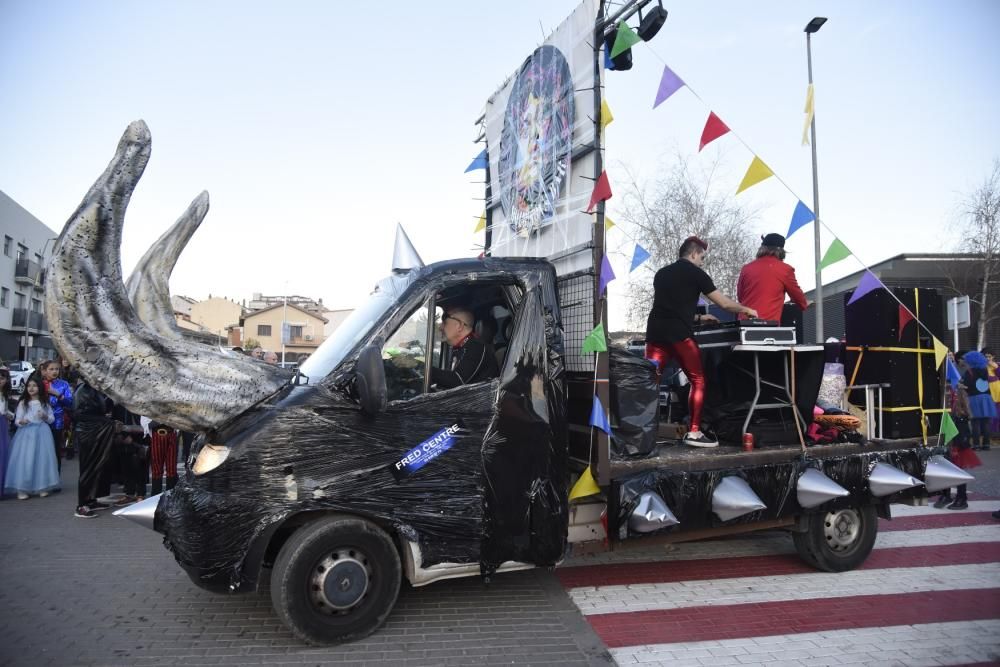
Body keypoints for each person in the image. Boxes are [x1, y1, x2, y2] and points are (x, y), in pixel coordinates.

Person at [645, 236, 758, 447]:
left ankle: (644, 433)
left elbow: (671, 307)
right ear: (694, 253)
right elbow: (723, 303)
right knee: (698, 380)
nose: (703, 261)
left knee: (650, 383)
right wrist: (746, 309)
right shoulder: (696, 273)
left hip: (655, 334)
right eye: (702, 257)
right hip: (680, 335)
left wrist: (699, 317)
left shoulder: (661, 274)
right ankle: (695, 433)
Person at [934, 352, 981, 510]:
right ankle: (946, 494)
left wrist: (962, 439)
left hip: (959, 433)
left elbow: (964, 414)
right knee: (944, 464)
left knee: (958, 465)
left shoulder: (959, 392)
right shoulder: (942, 390)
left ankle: (962, 498)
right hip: (946, 429)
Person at [3, 375, 60, 500]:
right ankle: (22, 488)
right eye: (29, 386)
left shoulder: (45, 402)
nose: (31, 388)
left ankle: (43, 486)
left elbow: (51, 419)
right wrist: (22, 422)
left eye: (34, 386)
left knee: (42, 459)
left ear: (39, 387)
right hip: (26, 434)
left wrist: (44, 416)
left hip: (42, 433)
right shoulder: (23, 403)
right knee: (25, 459)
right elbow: (17, 420)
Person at [736, 233, 810, 322]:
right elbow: (798, 298)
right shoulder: (785, 269)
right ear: (781, 251)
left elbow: (741, 297)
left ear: (761, 249)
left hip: (744, 323)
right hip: (768, 324)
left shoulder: (746, 268)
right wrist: (804, 303)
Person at [72, 379, 118, 518]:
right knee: (88, 467)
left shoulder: (95, 390)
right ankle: (81, 505)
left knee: (98, 466)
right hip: (88, 433)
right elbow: (80, 415)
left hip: (97, 431)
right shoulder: (83, 391)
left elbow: (102, 409)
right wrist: (107, 421)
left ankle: (91, 500)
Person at [431, 307, 500, 389]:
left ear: (460, 326)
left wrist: (424, 369)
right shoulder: (460, 348)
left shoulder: (476, 347)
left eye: (445, 322)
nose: (440, 327)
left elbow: (457, 381)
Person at [41, 359, 74, 473]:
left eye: (57, 369)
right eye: (51, 369)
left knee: (55, 450)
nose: (54, 371)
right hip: (40, 421)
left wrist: (57, 394)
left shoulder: (63, 384)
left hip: (57, 421)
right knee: (41, 451)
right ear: (44, 371)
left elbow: (70, 402)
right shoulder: (38, 383)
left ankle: (55, 478)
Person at [962, 350, 995, 451]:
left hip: (974, 398)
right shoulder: (985, 370)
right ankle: (986, 444)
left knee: (975, 422)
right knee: (986, 422)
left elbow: (966, 386)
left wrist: (960, 386)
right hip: (986, 398)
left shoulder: (969, 372)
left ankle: (976, 445)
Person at [983, 347, 1000, 442]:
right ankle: (993, 435)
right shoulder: (982, 367)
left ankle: (996, 435)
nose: (988, 358)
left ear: (993, 356)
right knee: (993, 417)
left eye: (989, 356)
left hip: (998, 394)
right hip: (989, 395)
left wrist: (996, 367)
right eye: (986, 356)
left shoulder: (997, 365)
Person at [0, 368, 12, 497]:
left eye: (2, 378)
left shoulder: (4, 395)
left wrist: (11, 416)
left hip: (2, 425)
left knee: (2, 453)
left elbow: (5, 410)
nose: (0, 381)